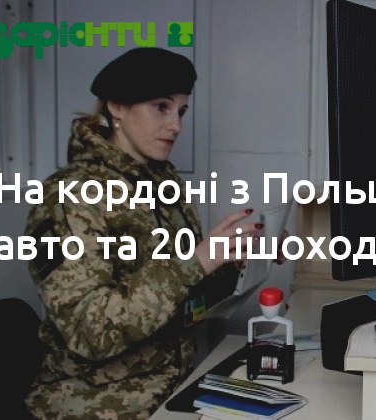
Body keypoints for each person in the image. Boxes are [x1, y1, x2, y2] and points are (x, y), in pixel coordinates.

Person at [24, 47, 258, 419]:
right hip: (96, 407)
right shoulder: (70, 197)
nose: (176, 125)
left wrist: (235, 261)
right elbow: (89, 332)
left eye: (181, 111)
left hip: (170, 394)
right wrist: (194, 263)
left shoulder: (164, 185)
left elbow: (183, 301)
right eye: (161, 106)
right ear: (116, 106)